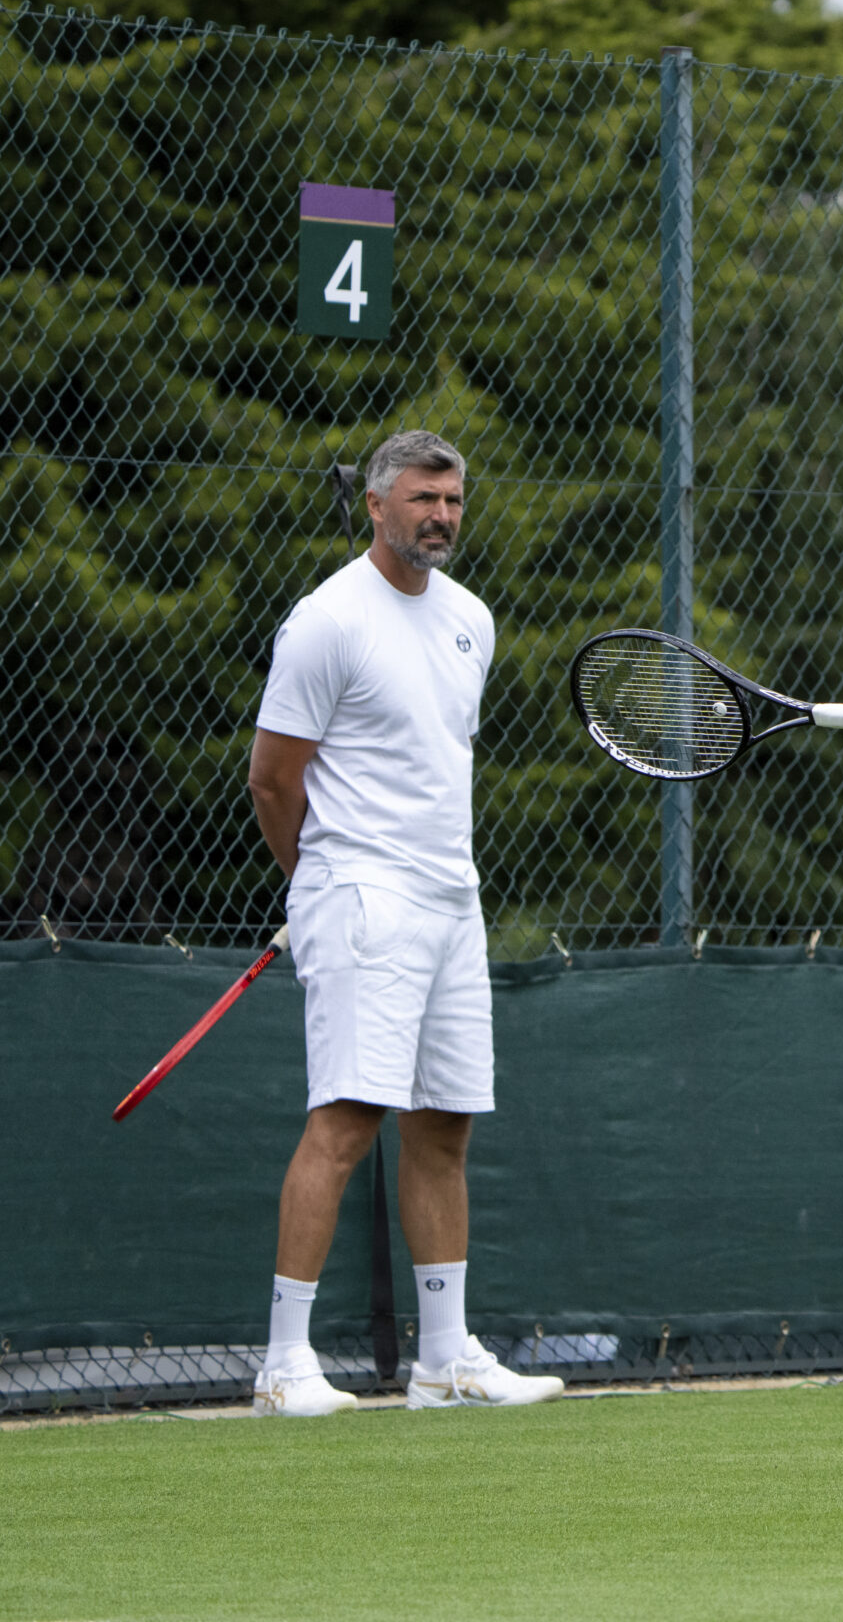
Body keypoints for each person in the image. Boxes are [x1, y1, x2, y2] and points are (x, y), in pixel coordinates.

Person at [242, 429, 563, 1416]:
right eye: (424, 499)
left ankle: (445, 1359)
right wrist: (318, 885)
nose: (443, 516)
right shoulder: (327, 620)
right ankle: (285, 1363)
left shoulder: (472, 618)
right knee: (344, 1120)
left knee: (445, 1124)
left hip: (450, 899)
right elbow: (271, 777)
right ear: (377, 505)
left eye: (455, 500)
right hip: (358, 895)